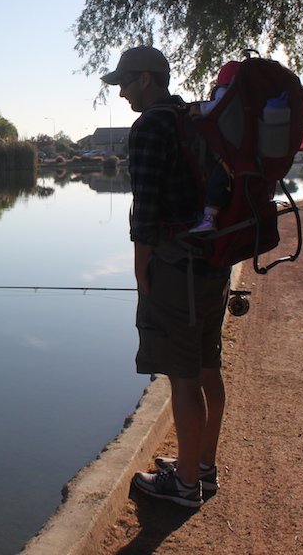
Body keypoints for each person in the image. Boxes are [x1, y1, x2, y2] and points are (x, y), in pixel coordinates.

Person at [101, 46, 232, 508]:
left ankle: (185, 488)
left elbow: (147, 206)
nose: (120, 92)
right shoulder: (194, 117)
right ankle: (203, 469)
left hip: (177, 266)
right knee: (206, 365)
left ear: (146, 80)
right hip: (216, 257)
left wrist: (142, 271)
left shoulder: (151, 126)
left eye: (124, 82)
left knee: (181, 375)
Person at [187, 60, 240, 233]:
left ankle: (209, 218)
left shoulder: (226, 91)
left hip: (230, 153)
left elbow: (220, 104)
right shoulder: (251, 97)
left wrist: (200, 109)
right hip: (246, 152)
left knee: (217, 181)